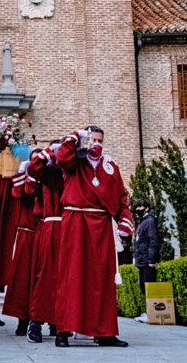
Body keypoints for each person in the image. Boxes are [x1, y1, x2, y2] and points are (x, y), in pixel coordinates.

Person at [53, 126, 134, 348]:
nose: (96, 144)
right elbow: (61, 157)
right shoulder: (74, 162)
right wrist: (75, 137)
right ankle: (64, 330)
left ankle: (105, 332)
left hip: (101, 226)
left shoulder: (110, 166)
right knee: (72, 276)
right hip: (76, 222)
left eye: (99, 140)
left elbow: (120, 197)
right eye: (92, 139)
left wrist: (124, 220)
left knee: (102, 279)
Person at [26, 140, 64, 343]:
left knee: (67, 280)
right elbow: (32, 172)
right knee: (46, 278)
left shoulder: (74, 170)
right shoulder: (46, 172)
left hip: (71, 228)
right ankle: (36, 321)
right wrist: (50, 152)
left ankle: (61, 323)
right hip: (50, 227)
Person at [3, 151, 41, 336]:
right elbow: (19, 192)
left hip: (43, 232)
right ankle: (22, 320)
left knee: (45, 280)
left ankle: (51, 321)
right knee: (22, 280)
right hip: (26, 233)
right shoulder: (22, 178)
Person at [133, 201, 159, 283]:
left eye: (140, 206)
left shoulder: (149, 221)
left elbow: (152, 240)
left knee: (148, 286)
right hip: (141, 261)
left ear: (146, 208)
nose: (138, 209)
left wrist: (151, 260)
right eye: (136, 207)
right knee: (143, 287)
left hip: (147, 261)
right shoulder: (142, 222)